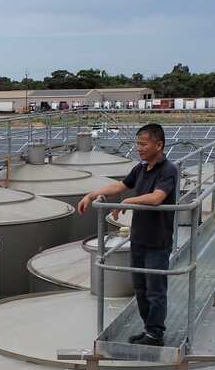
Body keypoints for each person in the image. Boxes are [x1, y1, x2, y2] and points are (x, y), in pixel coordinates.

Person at [76, 123, 179, 346]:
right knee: (140, 288)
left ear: (158, 145)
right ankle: (148, 329)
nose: (139, 148)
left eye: (143, 144)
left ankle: (155, 334)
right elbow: (120, 186)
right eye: (137, 143)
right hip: (139, 238)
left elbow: (157, 198)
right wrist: (92, 194)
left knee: (155, 290)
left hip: (157, 241)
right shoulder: (141, 169)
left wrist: (128, 201)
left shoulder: (168, 170)